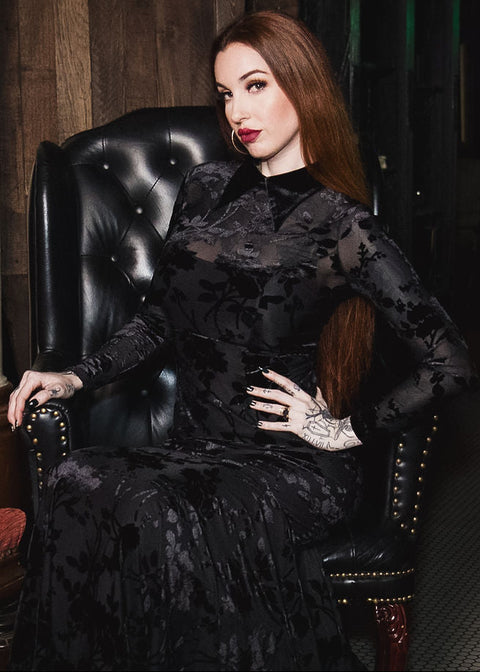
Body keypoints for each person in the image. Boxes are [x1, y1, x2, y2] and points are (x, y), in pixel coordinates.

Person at [7, 10, 477, 672]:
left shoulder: (344, 225)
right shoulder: (204, 188)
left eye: (256, 86)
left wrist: (345, 429)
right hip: (197, 449)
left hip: (290, 467)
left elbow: (449, 361)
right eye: (227, 93)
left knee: (150, 509)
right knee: (73, 478)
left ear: (302, 85)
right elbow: (160, 319)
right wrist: (75, 376)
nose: (238, 111)